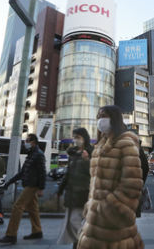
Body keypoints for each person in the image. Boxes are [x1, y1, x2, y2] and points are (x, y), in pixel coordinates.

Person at [77, 105, 144, 249]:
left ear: (115, 119)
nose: (101, 120)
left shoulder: (125, 144)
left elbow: (132, 185)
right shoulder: (99, 146)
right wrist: (91, 207)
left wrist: (108, 207)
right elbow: (95, 184)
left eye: (104, 116)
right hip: (95, 218)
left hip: (114, 219)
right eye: (99, 117)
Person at [0, 134, 46, 245]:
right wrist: (9, 182)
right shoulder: (31, 154)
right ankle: (37, 231)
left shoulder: (38, 155)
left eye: (27, 141)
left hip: (32, 185)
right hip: (28, 184)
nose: (26, 143)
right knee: (33, 209)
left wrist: (41, 188)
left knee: (17, 207)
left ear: (33, 142)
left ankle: (11, 235)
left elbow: (42, 172)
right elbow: (22, 172)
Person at [56, 128, 93, 248]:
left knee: (76, 222)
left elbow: (96, 173)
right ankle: (78, 245)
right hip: (72, 194)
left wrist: (88, 160)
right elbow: (68, 173)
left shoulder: (92, 152)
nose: (75, 140)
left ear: (84, 138)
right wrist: (60, 190)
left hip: (85, 194)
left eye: (78, 137)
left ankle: (81, 244)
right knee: (74, 223)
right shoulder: (73, 154)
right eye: (74, 137)